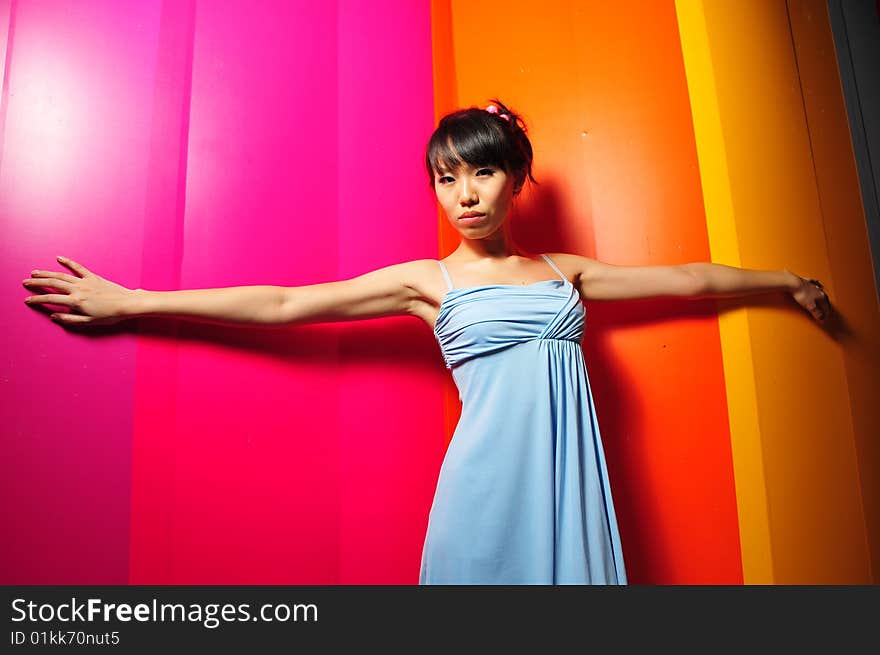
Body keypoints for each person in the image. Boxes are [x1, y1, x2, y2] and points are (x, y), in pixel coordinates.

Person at [21, 99, 832, 585]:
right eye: (445, 178)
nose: (463, 194)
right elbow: (281, 303)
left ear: (515, 176)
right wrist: (135, 300)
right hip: (482, 493)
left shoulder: (565, 271)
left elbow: (688, 279)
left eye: (479, 173)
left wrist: (786, 279)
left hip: (568, 489)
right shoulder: (426, 281)